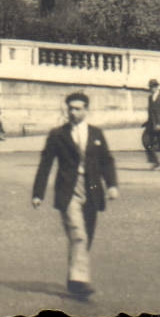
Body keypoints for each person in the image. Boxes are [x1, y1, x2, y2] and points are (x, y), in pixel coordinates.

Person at [31, 92, 119, 300]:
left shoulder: (96, 134)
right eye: (70, 108)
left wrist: (112, 185)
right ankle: (80, 281)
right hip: (68, 191)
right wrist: (38, 193)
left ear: (86, 110)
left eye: (78, 108)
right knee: (78, 235)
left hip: (92, 190)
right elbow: (45, 164)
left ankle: (74, 279)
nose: (73, 112)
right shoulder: (57, 135)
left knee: (84, 237)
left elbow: (106, 161)